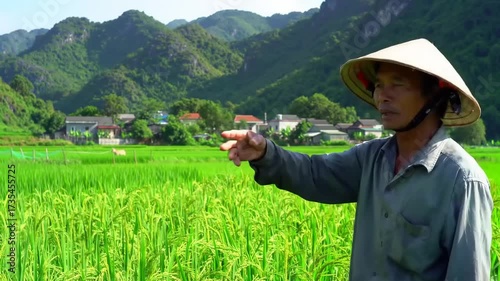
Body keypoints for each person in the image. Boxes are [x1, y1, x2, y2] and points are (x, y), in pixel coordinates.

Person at [220, 38, 493, 281]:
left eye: (397, 85)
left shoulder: (462, 180)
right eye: (378, 86)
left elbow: (469, 273)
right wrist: (266, 152)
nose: (382, 97)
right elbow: (316, 174)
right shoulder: (372, 158)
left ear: (435, 95)